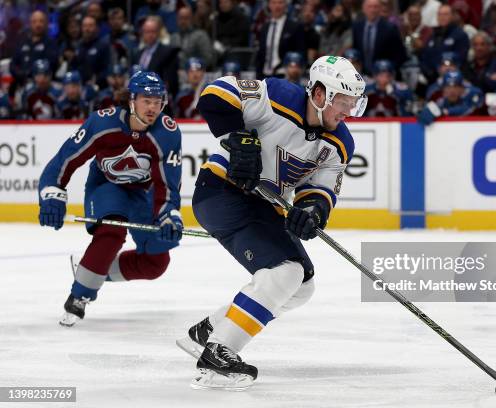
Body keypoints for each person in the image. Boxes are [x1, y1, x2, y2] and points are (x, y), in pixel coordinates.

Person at [180, 55, 367, 389]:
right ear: (320, 94)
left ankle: (208, 331)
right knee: (287, 271)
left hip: (264, 207)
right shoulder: (279, 96)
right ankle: (220, 349)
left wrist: (311, 212)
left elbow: (320, 189)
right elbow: (214, 94)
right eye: (342, 101)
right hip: (222, 191)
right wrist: (238, 137)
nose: (347, 112)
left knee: (302, 286)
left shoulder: (340, 143)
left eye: (353, 103)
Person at [37, 71, 183, 327]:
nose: (152, 107)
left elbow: (167, 183)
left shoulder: (167, 132)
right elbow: (64, 160)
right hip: (106, 184)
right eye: (146, 100)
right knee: (111, 230)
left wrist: (169, 213)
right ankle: (80, 295)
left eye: (157, 101)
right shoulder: (103, 123)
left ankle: (92, 269)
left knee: (156, 263)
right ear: (131, 100)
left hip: (144, 193)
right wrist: (51, 193)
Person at [418, 70, 483, 125]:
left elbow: (468, 109)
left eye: (456, 86)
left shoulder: (473, 95)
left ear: (462, 88)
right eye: (448, 87)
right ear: (443, 89)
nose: (452, 91)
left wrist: (445, 112)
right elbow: (433, 108)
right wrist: (428, 110)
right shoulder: (441, 100)